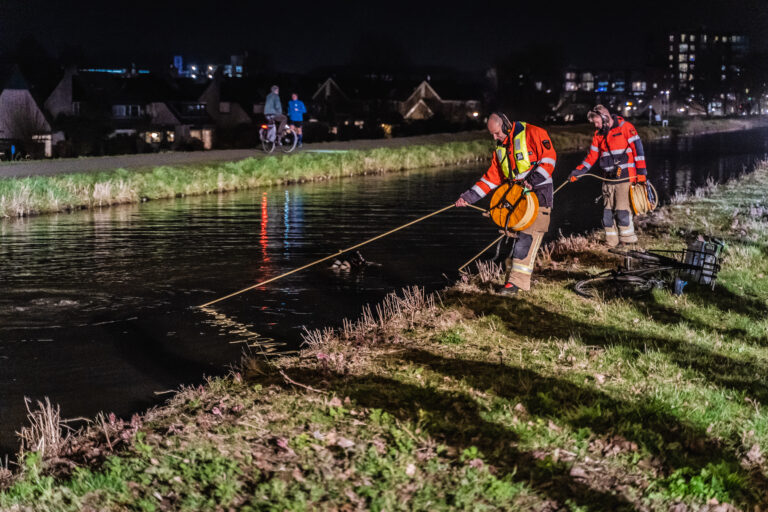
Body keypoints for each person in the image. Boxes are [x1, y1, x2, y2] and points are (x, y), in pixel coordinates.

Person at [455, 113, 557, 296]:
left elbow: (549, 159)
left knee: (528, 238)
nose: (494, 138)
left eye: (496, 133)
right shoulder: (500, 149)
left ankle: (516, 284)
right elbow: (490, 180)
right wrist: (468, 197)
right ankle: (514, 279)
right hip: (516, 200)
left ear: (506, 126)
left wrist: (532, 180)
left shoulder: (533, 133)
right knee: (519, 239)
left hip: (539, 195)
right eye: (492, 135)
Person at [568, 104, 647, 246]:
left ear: (605, 118)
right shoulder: (598, 135)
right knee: (607, 214)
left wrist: (641, 173)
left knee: (622, 211)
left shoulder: (625, 127)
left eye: (597, 122)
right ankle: (611, 242)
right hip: (607, 180)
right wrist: (578, 172)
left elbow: (638, 151)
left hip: (625, 178)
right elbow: (591, 157)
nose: (596, 126)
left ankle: (628, 241)